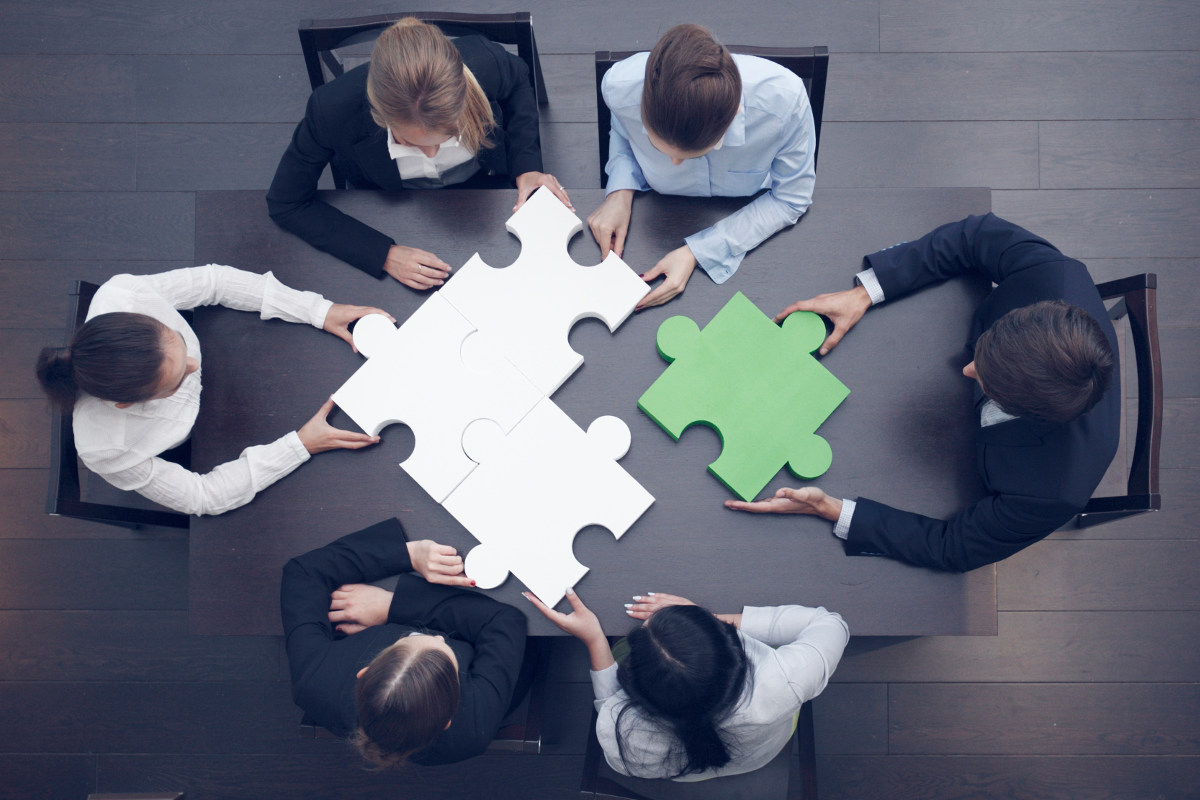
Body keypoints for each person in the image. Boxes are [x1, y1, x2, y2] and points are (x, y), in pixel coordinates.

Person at [727, 213, 1121, 572]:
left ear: (1028, 411)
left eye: (989, 382)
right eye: (985, 352)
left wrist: (831, 509)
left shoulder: (1057, 491)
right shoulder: (1056, 277)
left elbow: (955, 548)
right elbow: (975, 235)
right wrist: (865, 293)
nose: (966, 369)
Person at [35, 265, 386, 516]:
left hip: (237, 351)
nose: (194, 365)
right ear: (127, 404)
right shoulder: (106, 450)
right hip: (206, 440)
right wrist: (300, 445)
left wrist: (317, 310)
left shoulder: (124, 296)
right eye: (175, 381)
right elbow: (200, 497)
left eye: (178, 345)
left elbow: (214, 282)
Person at [267, 18, 570, 286]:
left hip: (488, 186)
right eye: (411, 143)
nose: (432, 152)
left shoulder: (486, 62)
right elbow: (286, 202)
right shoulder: (330, 110)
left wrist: (527, 165)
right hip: (391, 204)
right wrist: (382, 253)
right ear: (378, 115)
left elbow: (519, 81)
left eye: (449, 133)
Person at [588, 23, 817, 310]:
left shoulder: (785, 102)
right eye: (658, 145)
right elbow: (622, 127)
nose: (673, 163)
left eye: (690, 154)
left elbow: (791, 198)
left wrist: (698, 252)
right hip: (655, 213)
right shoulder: (618, 86)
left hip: (748, 210)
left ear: (732, 117)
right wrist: (620, 190)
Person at [526, 589, 847, 782]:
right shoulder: (787, 677)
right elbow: (831, 623)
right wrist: (709, 620)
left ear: (638, 692)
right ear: (729, 651)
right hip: (762, 751)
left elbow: (609, 702)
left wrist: (595, 638)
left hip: (673, 767)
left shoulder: (620, 732)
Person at [281, 517, 527, 766]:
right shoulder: (473, 728)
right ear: (447, 721)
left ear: (365, 673)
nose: (439, 636)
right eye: (443, 645)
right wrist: (392, 607)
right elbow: (505, 622)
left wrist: (408, 555)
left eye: (407, 639)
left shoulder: (314, 682)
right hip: (506, 667)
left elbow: (303, 573)